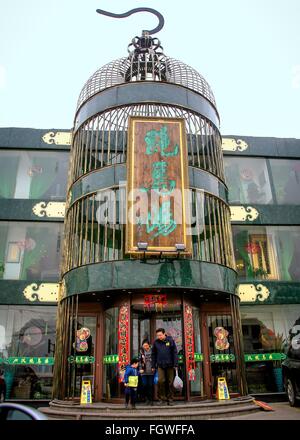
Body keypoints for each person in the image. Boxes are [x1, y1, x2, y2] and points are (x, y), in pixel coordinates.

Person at [151, 328, 178, 406]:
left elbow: (174, 353)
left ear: (164, 334)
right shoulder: (156, 343)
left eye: (160, 335)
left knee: (170, 382)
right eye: (157, 335)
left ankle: (170, 399)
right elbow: (153, 355)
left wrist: (175, 364)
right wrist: (153, 365)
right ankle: (162, 399)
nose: (159, 336)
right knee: (160, 381)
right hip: (160, 365)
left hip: (170, 365)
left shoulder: (170, 341)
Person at [139, 339, 154, 405]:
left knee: (150, 385)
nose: (145, 347)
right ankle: (146, 399)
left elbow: (155, 360)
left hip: (151, 371)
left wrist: (154, 366)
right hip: (143, 372)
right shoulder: (141, 352)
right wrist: (140, 369)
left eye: (146, 345)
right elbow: (139, 362)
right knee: (144, 385)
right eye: (144, 346)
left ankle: (151, 400)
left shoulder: (153, 351)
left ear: (149, 345)